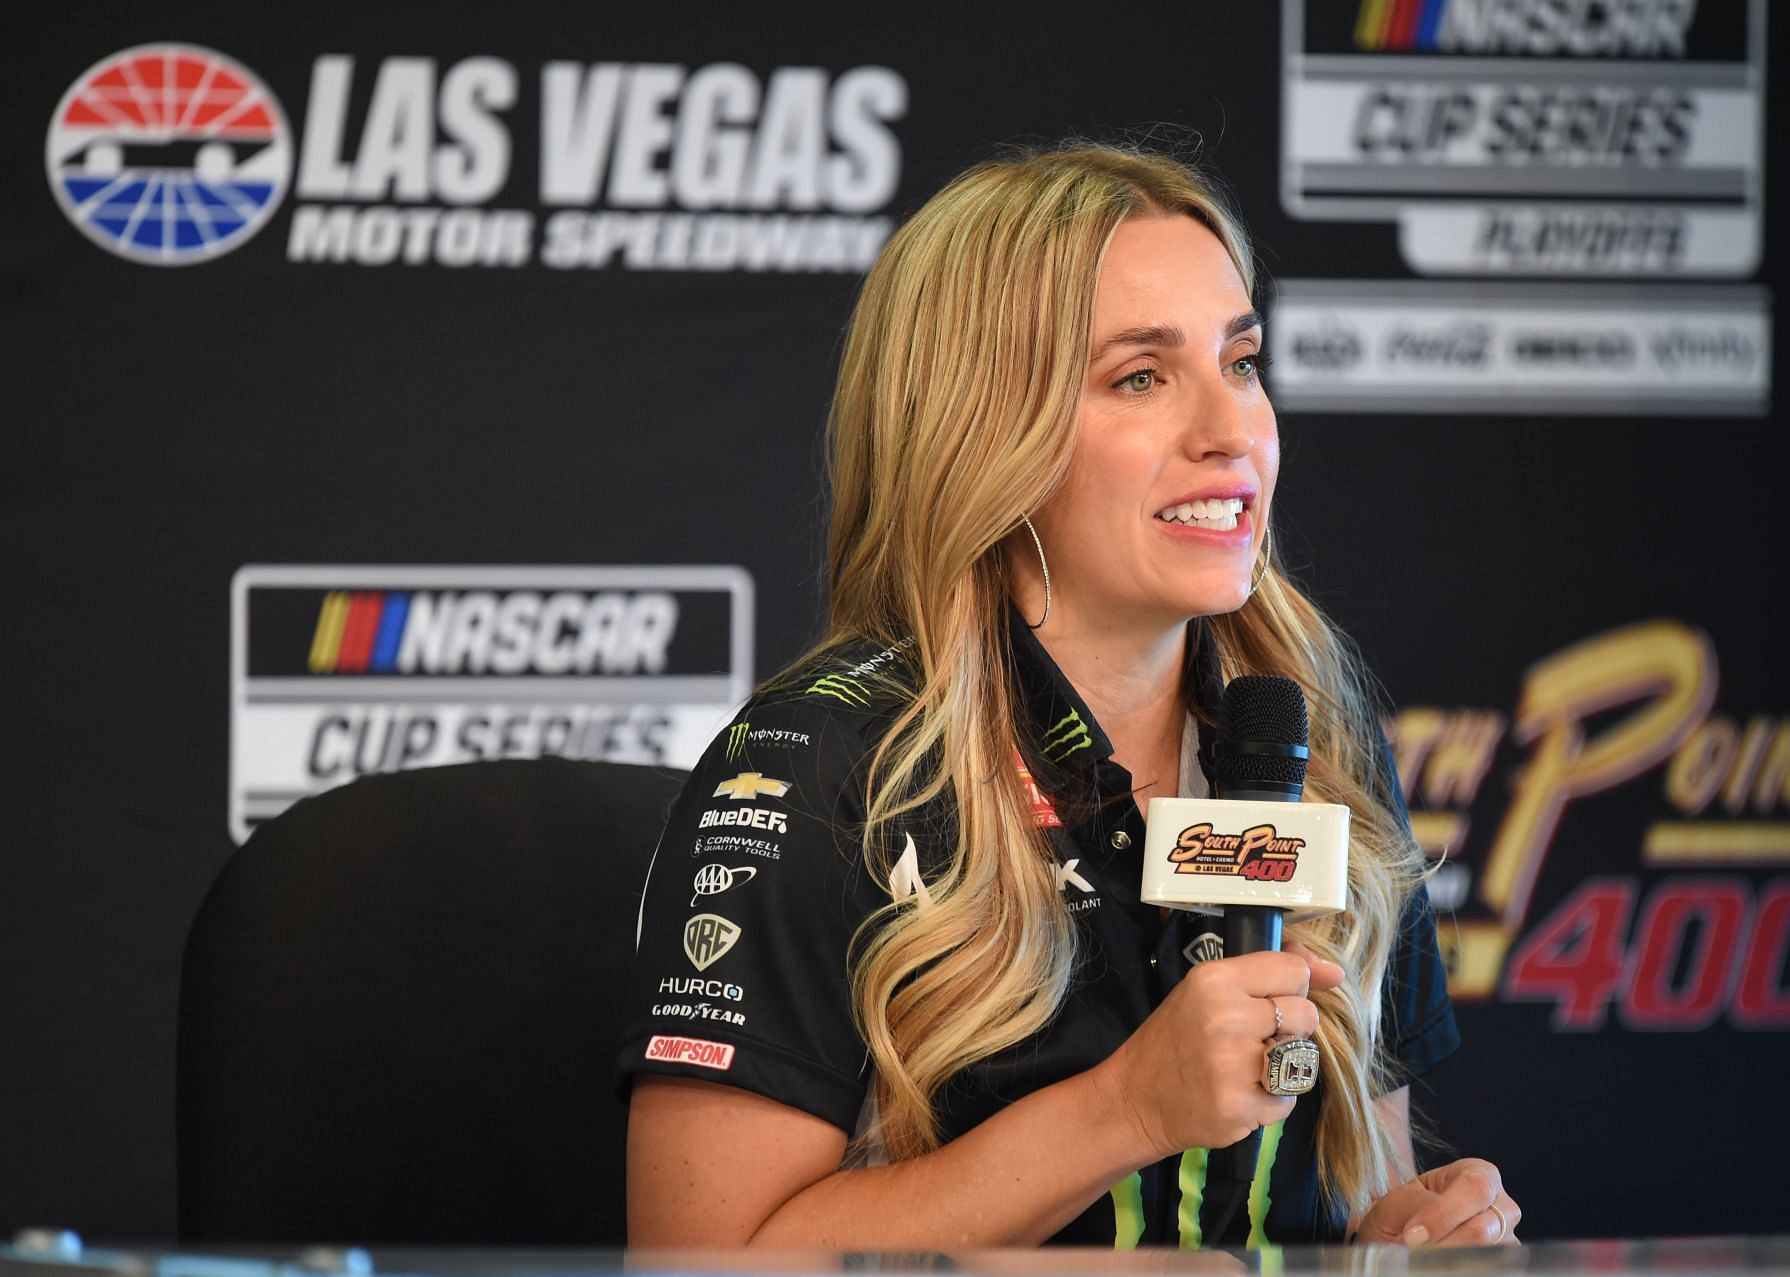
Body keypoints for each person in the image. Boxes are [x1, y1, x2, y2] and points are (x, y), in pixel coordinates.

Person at [618, 141, 1519, 1249]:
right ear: (979, 432)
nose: (1230, 430)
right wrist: (1124, 1107)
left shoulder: (1309, 733)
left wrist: (1393, 1241)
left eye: (1240, 363)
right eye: (1141, 376)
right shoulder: (818, 764)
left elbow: (1348, 1180)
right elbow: (700, 1262)